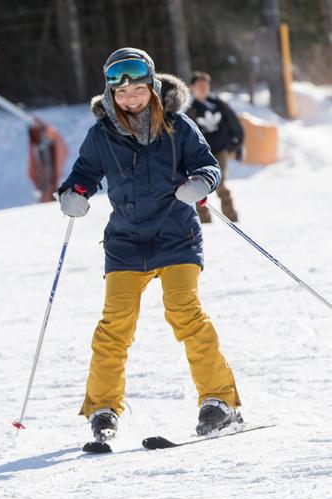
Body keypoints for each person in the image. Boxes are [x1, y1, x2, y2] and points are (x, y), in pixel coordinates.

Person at [56, 48, 242, 450]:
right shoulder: (101, 134)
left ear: (152, 87)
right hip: (125, 241)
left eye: (138, 89)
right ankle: (103, 408)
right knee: (114, 325)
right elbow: (83, 175)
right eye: (122, 93)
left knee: (184, 311)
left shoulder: (178, 126)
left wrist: (201, 183)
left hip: (176, 236)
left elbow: (207, 166)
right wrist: (73, 194)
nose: (131, 98)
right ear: (110, 95)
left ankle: (220, 401)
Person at [186, 71, 245, 223]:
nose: (203, 88)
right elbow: (185, 134)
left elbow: (234, 123)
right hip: (198, 154)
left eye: (206, 85)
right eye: (200, 86)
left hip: (219, 151)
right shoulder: (191, 110)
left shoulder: (219, 105)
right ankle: (203, 220)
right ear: (192, 87)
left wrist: (236, 143)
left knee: (220, 183)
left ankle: (232, 218)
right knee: (198, 187)